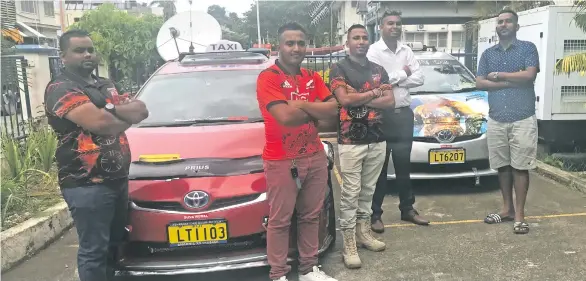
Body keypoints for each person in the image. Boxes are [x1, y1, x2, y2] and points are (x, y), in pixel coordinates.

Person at [44, 29, 149, 281]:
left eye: (90, 49)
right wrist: (119, 116)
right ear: (64, 56)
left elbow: (141, 110)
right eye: (79, 50)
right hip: (86, 183)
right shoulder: (60, 88)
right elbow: (103, 124)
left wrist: (109, 106)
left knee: (115, 245)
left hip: (117, 179)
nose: (88, 54)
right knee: (94, 251)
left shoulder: (104, 84)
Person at [256, 22, 339, 281]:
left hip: (314, 155)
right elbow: (284, 117)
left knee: (311, 216)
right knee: (280, 220)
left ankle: (308, 269)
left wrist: (299, 103)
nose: (296, 48)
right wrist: (314, 109)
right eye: (290, 43)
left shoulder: (312, 77)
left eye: (301, 43)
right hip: (281, 159)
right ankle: (278, 274)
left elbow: (335, 111)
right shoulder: (268, 77)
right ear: (279, 46)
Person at [329, 24, 396, 269]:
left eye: (364, 37)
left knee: (368, 191)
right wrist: (374, 93)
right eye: (355, 38)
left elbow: (390, 102)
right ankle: (348, 243)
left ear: (369, 41)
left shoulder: (379, 69)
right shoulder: (339, 68)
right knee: (350, 193)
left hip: (377, 139)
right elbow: (344, 99)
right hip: (350, 142)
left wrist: (360, 95)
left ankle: (364, 233)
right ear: (348, 43)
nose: (361, 41)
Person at [476, 9, 539, 235]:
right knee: (502, 166)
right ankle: (506, 209)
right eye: (500, 22)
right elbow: (480, 83)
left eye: (508, 21)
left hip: (522, 117)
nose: (503, 25)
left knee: (521, 167)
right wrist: (512, 80)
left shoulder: (528, 49)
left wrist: (500, 75)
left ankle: (520, 215)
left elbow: (529, 75)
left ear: (516, 26)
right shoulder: (488, 54)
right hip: (497, 118)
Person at [366, 10, 429, 233]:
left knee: (404, 166)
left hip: (403, 114)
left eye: (398, 24)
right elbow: (377, 82)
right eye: (390, 23)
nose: (394, 27)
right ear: (381, 27)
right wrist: (403, 73)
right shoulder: (373, 51)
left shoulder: (406, 50)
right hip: (381, 117)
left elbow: (420, 78)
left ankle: (407, 210)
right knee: (379, 168)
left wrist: (394, 78)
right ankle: (375, 215)